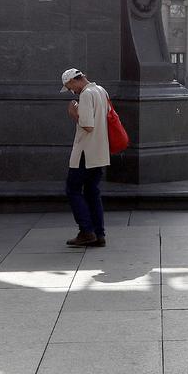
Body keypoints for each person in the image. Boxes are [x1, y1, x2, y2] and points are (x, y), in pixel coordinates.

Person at [60, 67, 110, 247]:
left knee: (72, 189)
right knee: (92, 192)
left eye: (70, 86)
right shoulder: (101, 91)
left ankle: (86, 231)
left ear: (75, 80)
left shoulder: (87, 94)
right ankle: (99, 233)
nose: (72, 91)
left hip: (85, 153)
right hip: (99, 151)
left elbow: (88, 125)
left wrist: (74, 113)